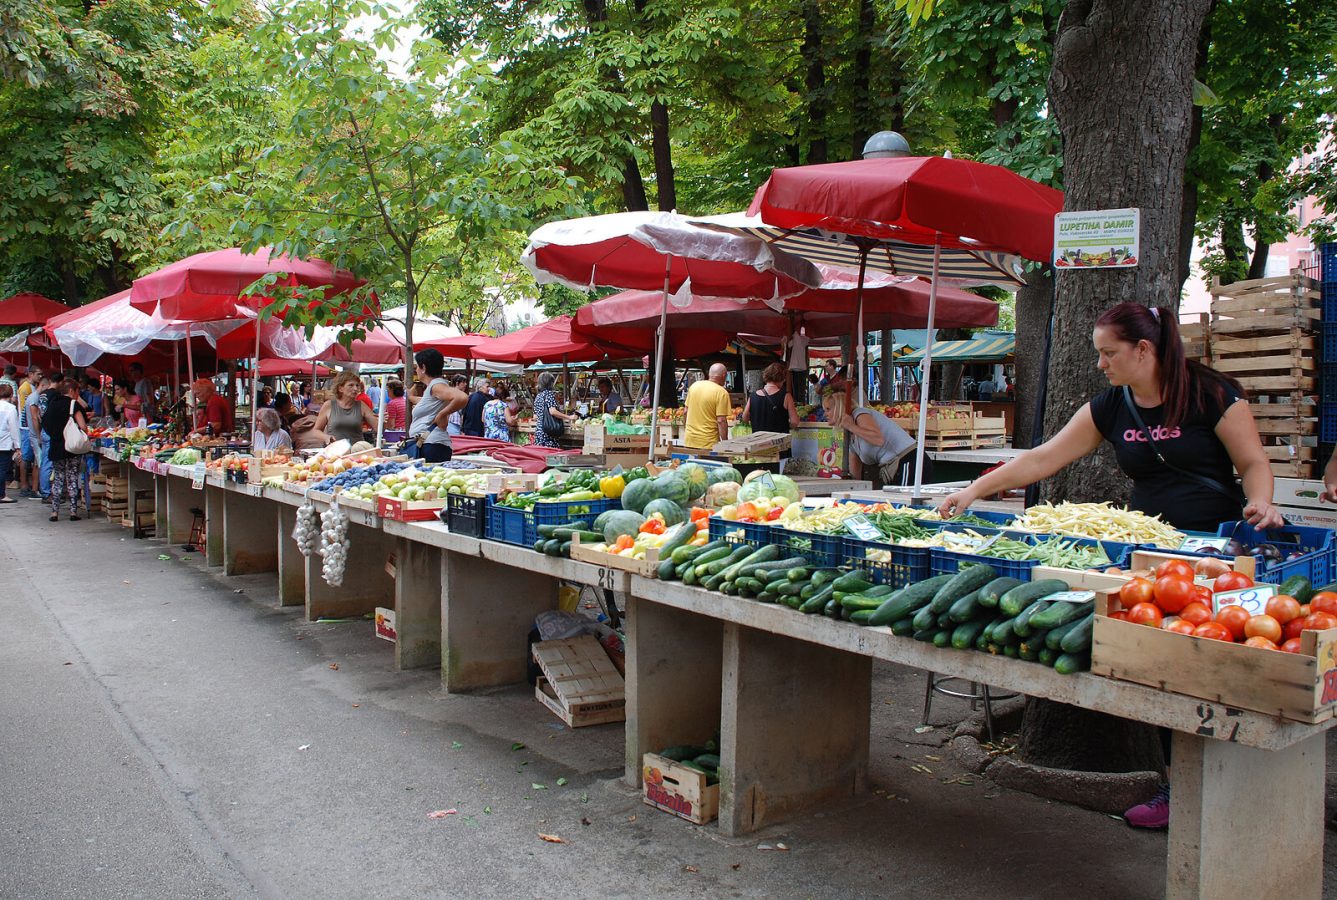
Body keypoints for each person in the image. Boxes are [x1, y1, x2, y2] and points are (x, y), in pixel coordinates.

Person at [935, 302, 1284, 831]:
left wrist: (1261, 501)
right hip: (1148, 559)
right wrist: (974, 490)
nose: (1099, 363)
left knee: (1208, 671)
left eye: (1108, 353)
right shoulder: (1111, 406)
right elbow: (1043, 457)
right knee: (1159, 668)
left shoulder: (1212, 393)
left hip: (1215, 558)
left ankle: (1220, 791)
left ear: (1144, 350)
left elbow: (1253, 462)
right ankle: (1178, 787)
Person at [822, 386, 916, 487]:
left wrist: (852, 426)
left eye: (828, 409)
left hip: (907, 460)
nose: (825, 414)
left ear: (839, 408)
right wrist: (852, 487)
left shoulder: (860, 414)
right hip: (894, 468)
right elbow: (855, 467)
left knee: (904, 499)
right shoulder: (850, 435)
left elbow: (878, 440)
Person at [406, 349, 467, 462]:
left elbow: (462, 397)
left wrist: (442, 414)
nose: (416, 370)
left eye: (417, 367)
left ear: (423, 367)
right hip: (431, 444)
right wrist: (411, 398)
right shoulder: (434, 387)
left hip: (432, 445)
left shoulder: (437, 385)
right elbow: (428, 403)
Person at [42, 376, 89, 521]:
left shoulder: (52, 404)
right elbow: (83, 427)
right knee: (72, 477)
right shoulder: (73, 405)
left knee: (58, 479)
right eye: (77, 391)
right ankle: (73, 512)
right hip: (71, 448)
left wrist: (56, 435)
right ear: (71, 390)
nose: (78, 394)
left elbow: (44, 423)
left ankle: (54, 512)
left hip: (56, 447)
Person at [741, 363, 799, 454]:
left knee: (759, 468)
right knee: (779, 467)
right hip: (779, 446)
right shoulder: (786, 396)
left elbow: (744, 418)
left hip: (758, 446)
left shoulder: (752, 396)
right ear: (782, 378)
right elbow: (795, 422)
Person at [314, 370, 378, 445]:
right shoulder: (329, 405)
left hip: (356, 452)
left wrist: (382, 422)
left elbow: (377, 428)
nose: (355, 389)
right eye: (351, 385)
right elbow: (316, 430)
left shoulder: (361, 405)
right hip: (335, 452)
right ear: (340, 388)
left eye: (357, 385)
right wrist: (326, 437)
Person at [683, 364, 732, 450]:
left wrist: (687, 431)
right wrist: (725, 442)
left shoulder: (694, 386)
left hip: (690, 441)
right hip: (708, 443)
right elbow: (721, 421)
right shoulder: (721, 392)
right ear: (724, 375)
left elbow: (685, 411)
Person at [530, 371, 575, 449]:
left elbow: (535, 416)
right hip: (548, 432)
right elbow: (553, 411)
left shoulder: (538, 396)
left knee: (542, 455)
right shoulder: (549, 394)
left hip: (539, 431)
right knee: (551, 456)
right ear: (550, 383)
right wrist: (569, 417)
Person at [24, 373, 50, 500]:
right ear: (43, 385)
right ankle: (41, 491)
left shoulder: (34, 397)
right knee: (41, 462)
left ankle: (35, 489)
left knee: (37, 462)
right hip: (35, 435)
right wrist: (39, 436)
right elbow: (35, 418)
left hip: (35, 434)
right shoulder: (34, 398)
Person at [0, 383, 20, 504]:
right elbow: (14, 428)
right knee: (2, 470)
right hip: (4, 443)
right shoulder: (10, 408)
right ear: (11, 394)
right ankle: (1, 494)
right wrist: (18, 446)